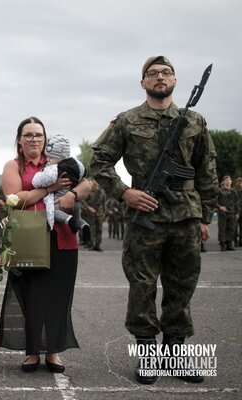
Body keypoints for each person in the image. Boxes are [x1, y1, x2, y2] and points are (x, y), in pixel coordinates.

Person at [91, 55, 218, 384]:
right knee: (142, 287)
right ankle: (147, 355)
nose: (159, 77)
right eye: (152, 74)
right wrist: (124, 192)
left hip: (185, 218)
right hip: (144, 216)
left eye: (166, 73)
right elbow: (100, 162)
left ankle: (175, 357)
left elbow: (207, 170)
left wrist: (205, 216)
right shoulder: (127, 121)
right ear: (143, 82)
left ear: (175, 80)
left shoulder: (195, 122)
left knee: (181, 288)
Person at [0, 116, 92, 374]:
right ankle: (32, 352)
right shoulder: (13, 166)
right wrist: (50, 188)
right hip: (29, 238)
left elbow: (87, 182)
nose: (33, 139)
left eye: (38, 135)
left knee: (57, 298)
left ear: (45, 139)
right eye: (28, 135)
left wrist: (72, 193)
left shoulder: (61, 162)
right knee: (31, 297)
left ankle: (52, 352)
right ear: (19, 140)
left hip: (61, 238)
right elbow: (15, 200)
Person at [32, 134, 90, 241]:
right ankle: (84, 225)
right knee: (78, 218)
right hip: (75, 202)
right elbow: (83, 174)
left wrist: (40, 173)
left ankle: (68, 220)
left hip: (59, 201)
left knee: (52, 211)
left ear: (60, 157)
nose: (48, 159)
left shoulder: (55, 169)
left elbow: (37, 182)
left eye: (51, 157)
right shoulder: (77, 164)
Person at [82, 179, 106, 251]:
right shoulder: (89, 190)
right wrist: (88, 208)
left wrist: (104, 212)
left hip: (99, 213)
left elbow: (103, 203)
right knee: (91, 229)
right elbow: (83, 200)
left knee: (99, 229)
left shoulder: (102, 191)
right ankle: (91, 244)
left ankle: (97, 245)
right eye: (95, 180)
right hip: (90, 213)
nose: (96, 182)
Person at [216, 175, 239, 251]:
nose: (228, 181)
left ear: (231, 182)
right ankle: (222, 244)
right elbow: (215, 201)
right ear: (224, 181)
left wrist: (237, 213)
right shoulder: (219, 190)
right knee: (222, 229)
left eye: (229, 180)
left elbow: (236, 203)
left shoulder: (234, 191)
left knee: (231, 229)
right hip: (222, 213)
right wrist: (220, 207)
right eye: (226, 180)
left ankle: (229, 244)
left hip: (232, 212)